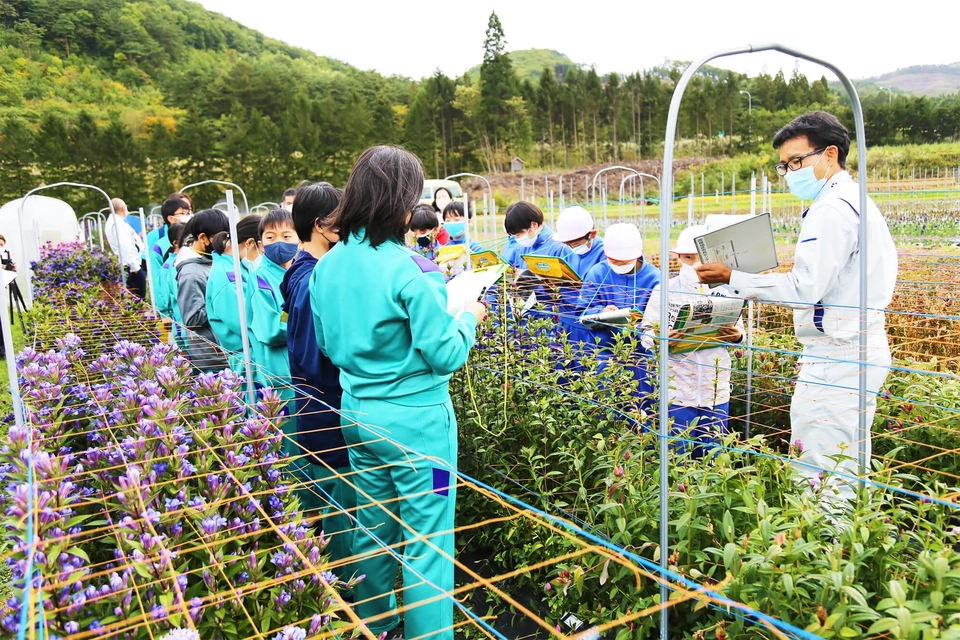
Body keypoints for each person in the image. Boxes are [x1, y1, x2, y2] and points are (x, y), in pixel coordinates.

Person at [310, 146, 486, 640]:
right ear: (401, 201)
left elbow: (326, 343)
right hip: (418, 428)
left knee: (373, 531)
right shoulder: (410, 270)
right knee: (427, 542)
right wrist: (470, 316)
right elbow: (446, 354)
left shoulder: (327, 267)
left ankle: (376, 627)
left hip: (359, 415)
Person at [696, 110, 897, 500]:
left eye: (797, 162)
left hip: (839, 354)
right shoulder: (855, 201)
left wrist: (733, 277)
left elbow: (805, 289)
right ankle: (844, 543)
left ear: (829, 154)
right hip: (855, 344)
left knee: (819, 470)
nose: (789, 173)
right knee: (847, 460)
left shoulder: (831, 209)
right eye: (784, 166)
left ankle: (825, 548)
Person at [279, 182, 356, 571]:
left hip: (316, 406)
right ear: (320, 225)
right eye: (341, 220)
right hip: (326, 409)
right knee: (341, 513)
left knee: (334, 506)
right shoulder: (311, 280)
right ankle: (345, 587)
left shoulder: (303, 270)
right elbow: (313, 355)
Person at [641, 225, 744, 457]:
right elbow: (646, 333)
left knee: (714, 456)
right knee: (679, 456)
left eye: (698, 258)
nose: (694, 265)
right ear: (677, 258)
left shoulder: (726, 291)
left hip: (714, 390)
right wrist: (660, 339)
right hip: (677, 391)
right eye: (688, 258)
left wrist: (736, 336)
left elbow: (740, 331)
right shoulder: (664, 291)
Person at [578, 222, 661, 416]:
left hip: (642, 356)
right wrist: (602, 311)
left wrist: (641, 324)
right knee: (607, 409)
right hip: (606, 355)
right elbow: (583, 311)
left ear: (638, 254)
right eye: (613, 261)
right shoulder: (597, 273)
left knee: (643, 410)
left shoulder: (655, 278)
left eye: (623, 261)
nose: (618, 265)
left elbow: (661, 319)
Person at [249, 209, 299, 448]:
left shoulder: (296, 270)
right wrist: (305, 323)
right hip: (279, 373)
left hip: (297, 371)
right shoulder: (261, 277)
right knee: (288, 445)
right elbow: (270, 329)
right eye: (271, 237)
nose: (279, 242)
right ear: (261, 244)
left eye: (287, 236)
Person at [206, 214, 263, 375]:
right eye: (263, 247)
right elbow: (246, 323)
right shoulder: (228, 277)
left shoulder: (237, 268)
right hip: (248, 360)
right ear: (250, 243)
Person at [176, 209, 230, 372]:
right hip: (211, 355)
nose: (224, 242)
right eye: (219, 238)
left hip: (222, 350)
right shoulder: (191, 272)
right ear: (203, 238)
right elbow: (192, 318)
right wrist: (221, 300)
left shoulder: (208, 262)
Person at [552, 206, 605, 348]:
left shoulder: (604, 254)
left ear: (592, 234)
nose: (571, 247)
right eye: (567, 244)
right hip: (565, 321)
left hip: (589, 327)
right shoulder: (564, 250)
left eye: (575, 244)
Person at [500, 201, 577, 270]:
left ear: (534, 225)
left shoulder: (559, 248)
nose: (517, 239)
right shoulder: (520, 248)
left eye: (519, 235)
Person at [149, 195, 193, 310]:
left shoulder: (195, 239)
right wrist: (164, 310)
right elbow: (156, 280)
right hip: (174, 308)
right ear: (170, 218)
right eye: (183, 213)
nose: (188, 216)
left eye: (189, 213)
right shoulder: (159, 246)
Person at [104, 198, 147, 299]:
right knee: (138, 296)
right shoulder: (117, 224)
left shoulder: (115, 222)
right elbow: (124, 245)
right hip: (130, 265)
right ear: (124, 208)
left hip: (129, 263)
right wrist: (135, 267)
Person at [156, 223, 185, 345]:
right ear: (175, 243)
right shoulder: (170, 266)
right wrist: (166, 315)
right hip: (178, 322)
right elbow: (162, 295)